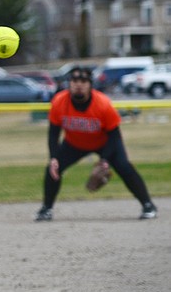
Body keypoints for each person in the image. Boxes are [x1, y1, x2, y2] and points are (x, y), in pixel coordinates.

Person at [35, 65, 157, 222]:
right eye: (75, 80)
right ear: (69, 83)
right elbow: (53, 134)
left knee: (125, 167)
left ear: (90, 84)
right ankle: (46, 209)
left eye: (84, 81)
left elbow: (114, 136)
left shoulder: (103, 104)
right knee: (53, 169)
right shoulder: (59, 102)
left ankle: (148, 205)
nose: (79, 84)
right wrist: (53, 158)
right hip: (74, 143)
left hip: (105, 143)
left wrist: (105, 160)